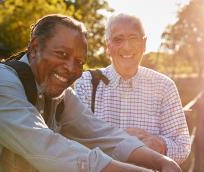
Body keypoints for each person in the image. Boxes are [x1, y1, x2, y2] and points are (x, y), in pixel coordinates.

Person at [0, 14, 182, 172]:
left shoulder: (60, 97)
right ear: (35, 47)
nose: (70, 68)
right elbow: (47, 148)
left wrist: (162, 161)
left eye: (79, 62)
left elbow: (101, 134)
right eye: (62, 54)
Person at [75, 13, 191, 164]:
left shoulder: (164, 87)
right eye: (118, 39)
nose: (127, 47)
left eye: (133, 39)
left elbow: (182, 146)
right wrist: (119, 144)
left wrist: (158, 144)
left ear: (144, 44)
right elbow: (74, 143)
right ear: (107, 46)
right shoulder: (86, 83)